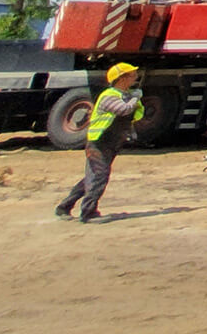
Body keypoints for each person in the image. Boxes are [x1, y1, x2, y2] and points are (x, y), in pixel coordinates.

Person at [55, 62, 144, 223]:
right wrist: (135, 98)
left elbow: (136, 114)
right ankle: (88, 213)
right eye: (131, 75)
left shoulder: (125, 95)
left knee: (92, 177)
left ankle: (64, 207)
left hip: (111, 143)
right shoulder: (109, 95)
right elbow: (123, 110)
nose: (135, 77)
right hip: (99, 143)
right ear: (121, 78)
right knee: (99, 176)